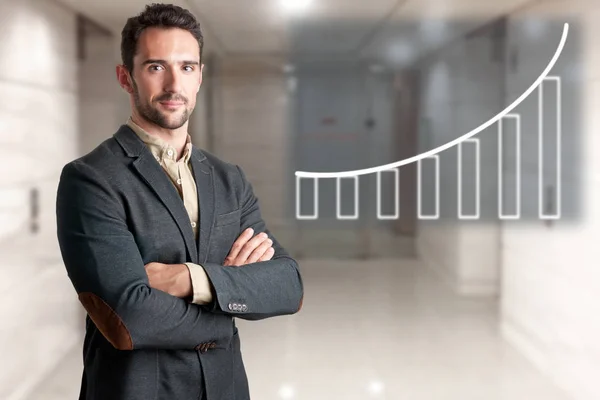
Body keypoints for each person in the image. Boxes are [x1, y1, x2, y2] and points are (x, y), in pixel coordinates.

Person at [55, 3, 304, 399]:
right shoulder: (91, 178)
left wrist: (190, 278)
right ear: (126, 77)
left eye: (187, 67)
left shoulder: (228, 179)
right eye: (156, 67)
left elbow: (287, 286)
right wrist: (230, 304)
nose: (174, 84)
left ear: (200, 76)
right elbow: (128, 318)